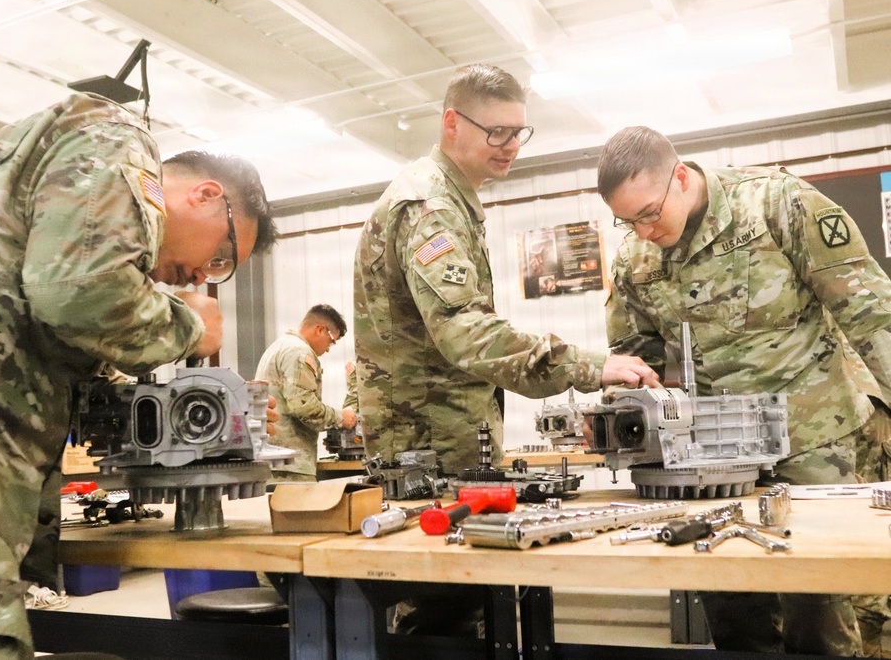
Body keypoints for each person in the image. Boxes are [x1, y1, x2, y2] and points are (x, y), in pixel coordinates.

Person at [0, 91, 278, 659]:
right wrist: (190, 327)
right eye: (220, 258)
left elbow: (61, 342)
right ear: (206, 195)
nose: (201, 274)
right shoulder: (116, 134)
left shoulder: (68, 227)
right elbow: (78, 294)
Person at [352, 62, 659, 637]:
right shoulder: (429, 206)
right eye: (497, 132)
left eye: (519, 132)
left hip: (442, 436)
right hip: (427, 445)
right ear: (452, 124)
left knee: (459, 609)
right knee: (443, 614)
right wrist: (590, 366)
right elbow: (466, 333)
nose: (511, 146)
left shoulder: (451, 200)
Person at [597, 125, 891, 656]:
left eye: (647, 213)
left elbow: (870, 312)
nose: (641, 231)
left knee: (820, 607)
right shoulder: (633, 257)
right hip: (713, 453)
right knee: (731, 605)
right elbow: (635, 353)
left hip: (810, 435)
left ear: (680, 178)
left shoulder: (779, 203)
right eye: (627, 220)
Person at [256, 304, 356, 480]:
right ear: (320, 330)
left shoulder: (280, 346)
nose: (327, 349)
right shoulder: (299, 353)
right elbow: (303, 407)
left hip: (275, 461)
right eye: (331, 342)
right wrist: (342, 418)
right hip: (290, 466)